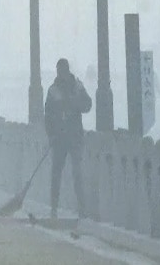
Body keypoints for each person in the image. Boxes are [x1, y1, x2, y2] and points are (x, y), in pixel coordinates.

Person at [44, 58, 92, 220]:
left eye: (62, 71)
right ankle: (54, 208)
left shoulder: (77, 87)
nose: (60, 74)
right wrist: (51, 135)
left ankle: (82, 209)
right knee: (56, 173)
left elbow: (88, 106)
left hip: (75, 136)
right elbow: (48, 115)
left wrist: (74, 103)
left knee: (77, 173)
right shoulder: (53, 90)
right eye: (59, 71)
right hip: (59, 138)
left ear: (66, 71)